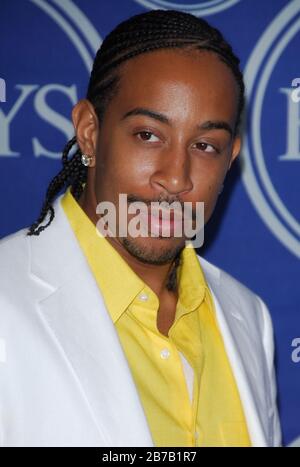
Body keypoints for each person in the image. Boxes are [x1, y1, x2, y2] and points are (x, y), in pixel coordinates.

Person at [0, 9, 281, 447]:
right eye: (148, 135)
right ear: (90, 132)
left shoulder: (249, 316)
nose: (175, 177)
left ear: (231, 158)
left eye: (205, 146)